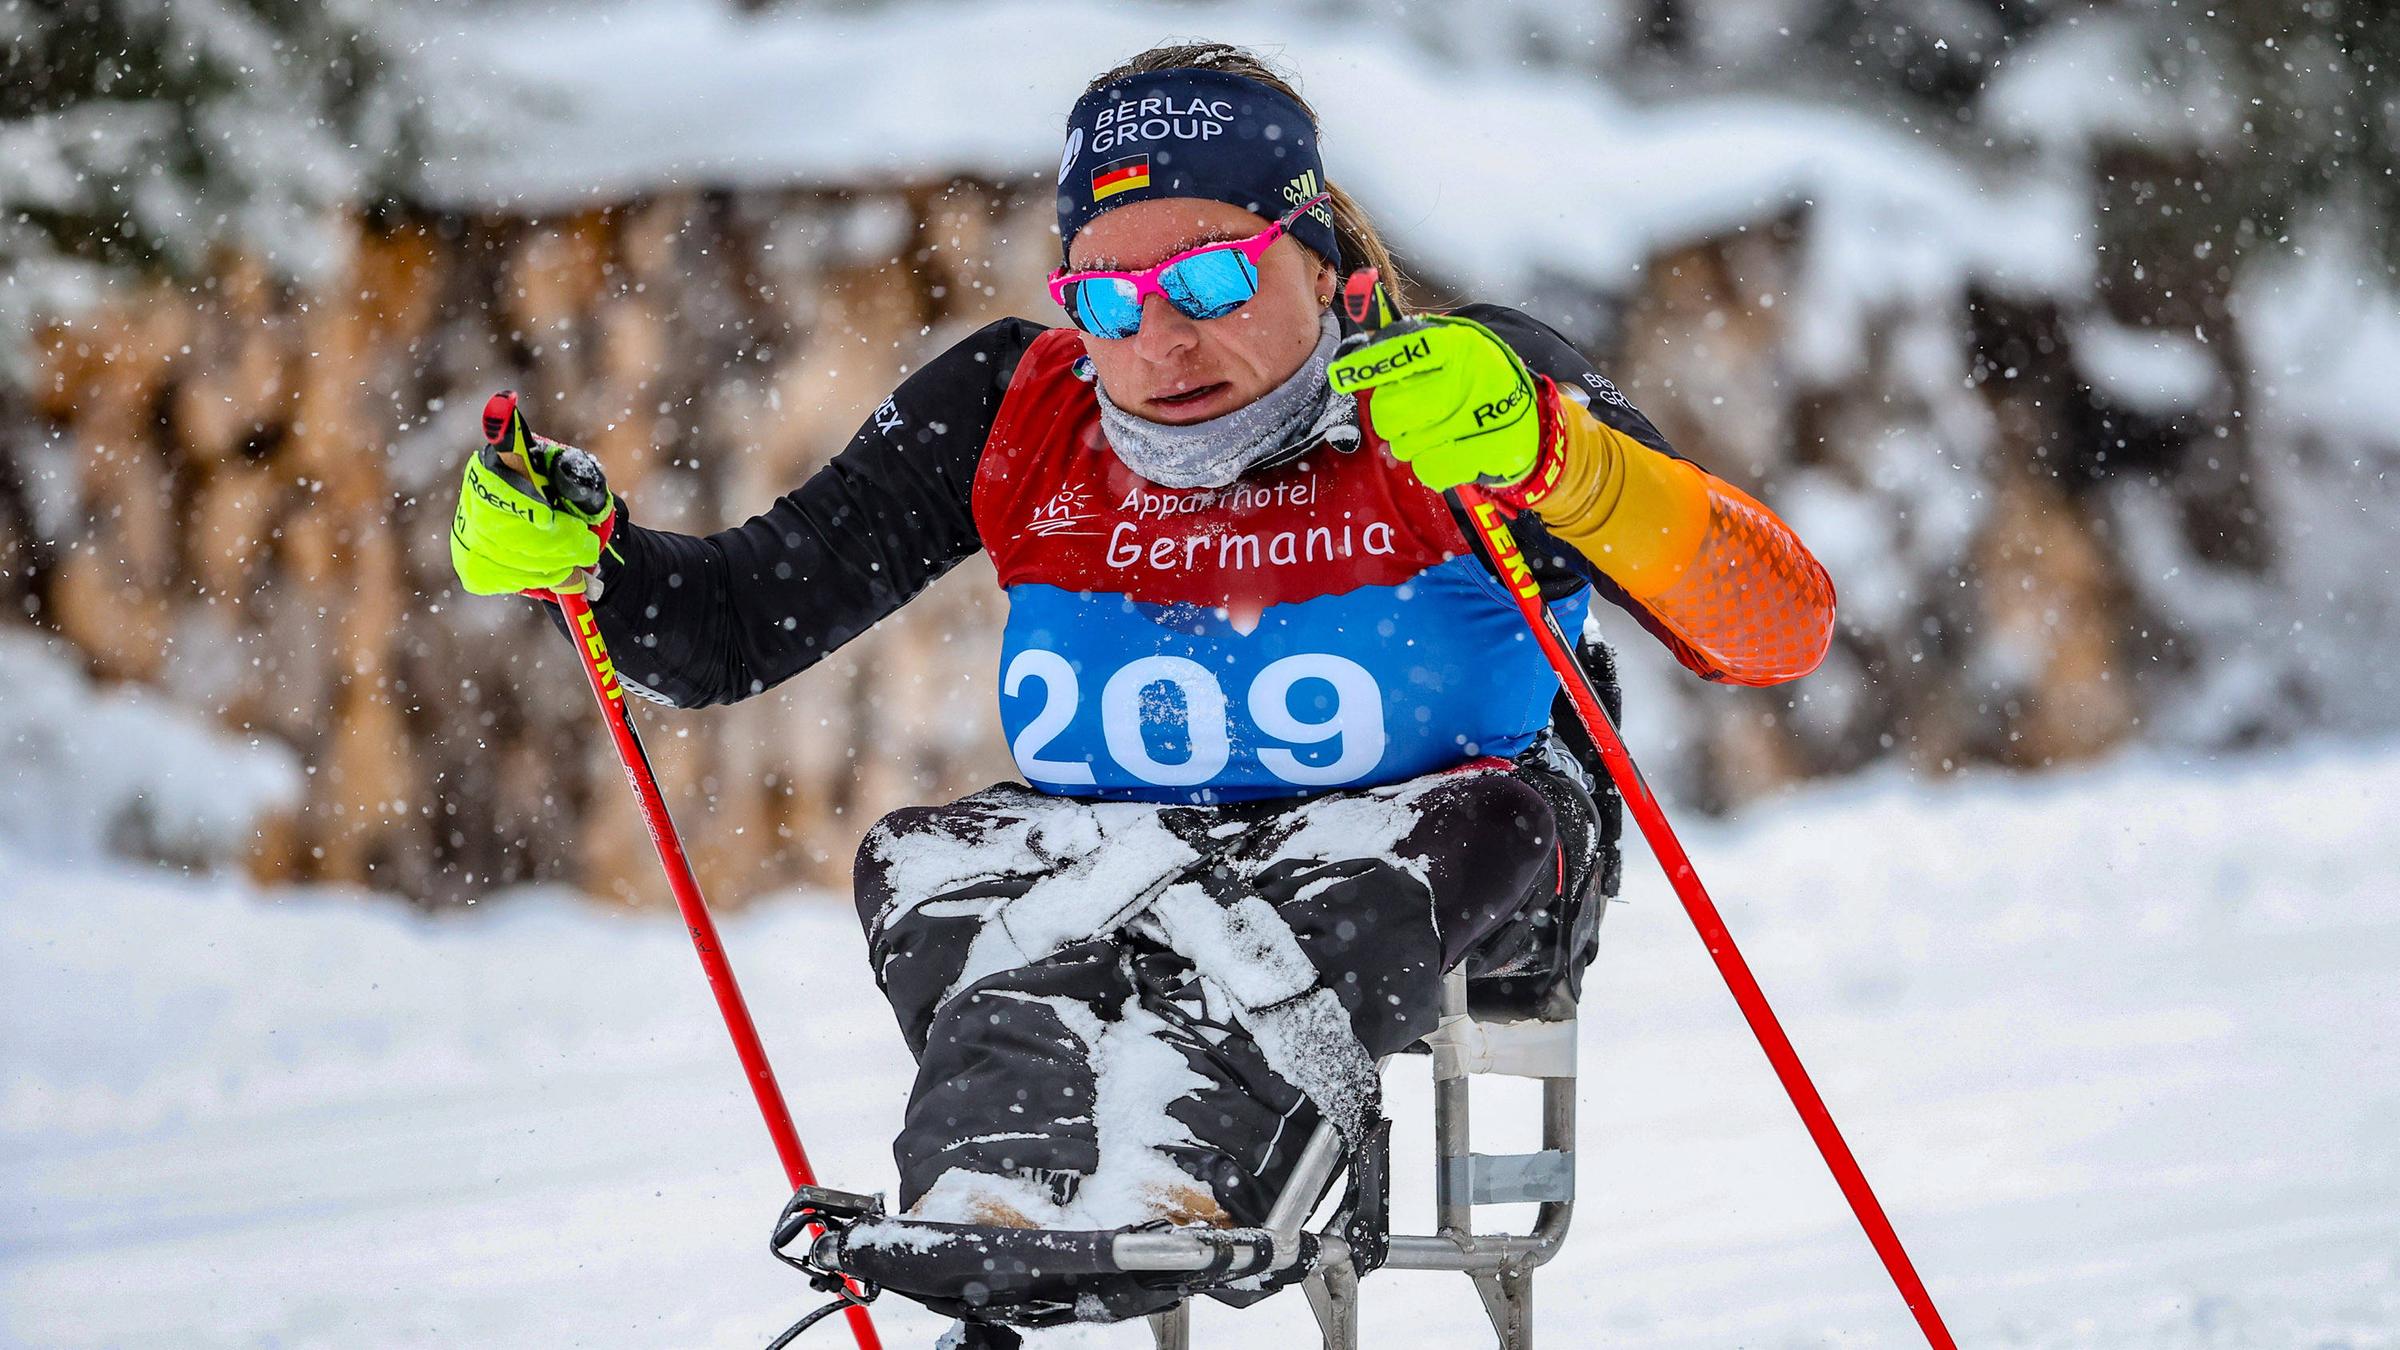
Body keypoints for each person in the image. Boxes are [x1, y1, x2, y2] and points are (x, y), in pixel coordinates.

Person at [450, 41, 1835, 1328]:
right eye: (1108, 298)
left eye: (1217, 282)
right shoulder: (1020, 409)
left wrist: (1562, 458)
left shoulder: (1459, 386)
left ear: (1324, 260)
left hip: (1444, 846)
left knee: (1409, 850)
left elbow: (1776, 625)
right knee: (928, 863)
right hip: (1121, 865)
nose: (1163, 342)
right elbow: (737, 624)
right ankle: (997, 1191)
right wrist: (594, 560)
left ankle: (1197, 1172)